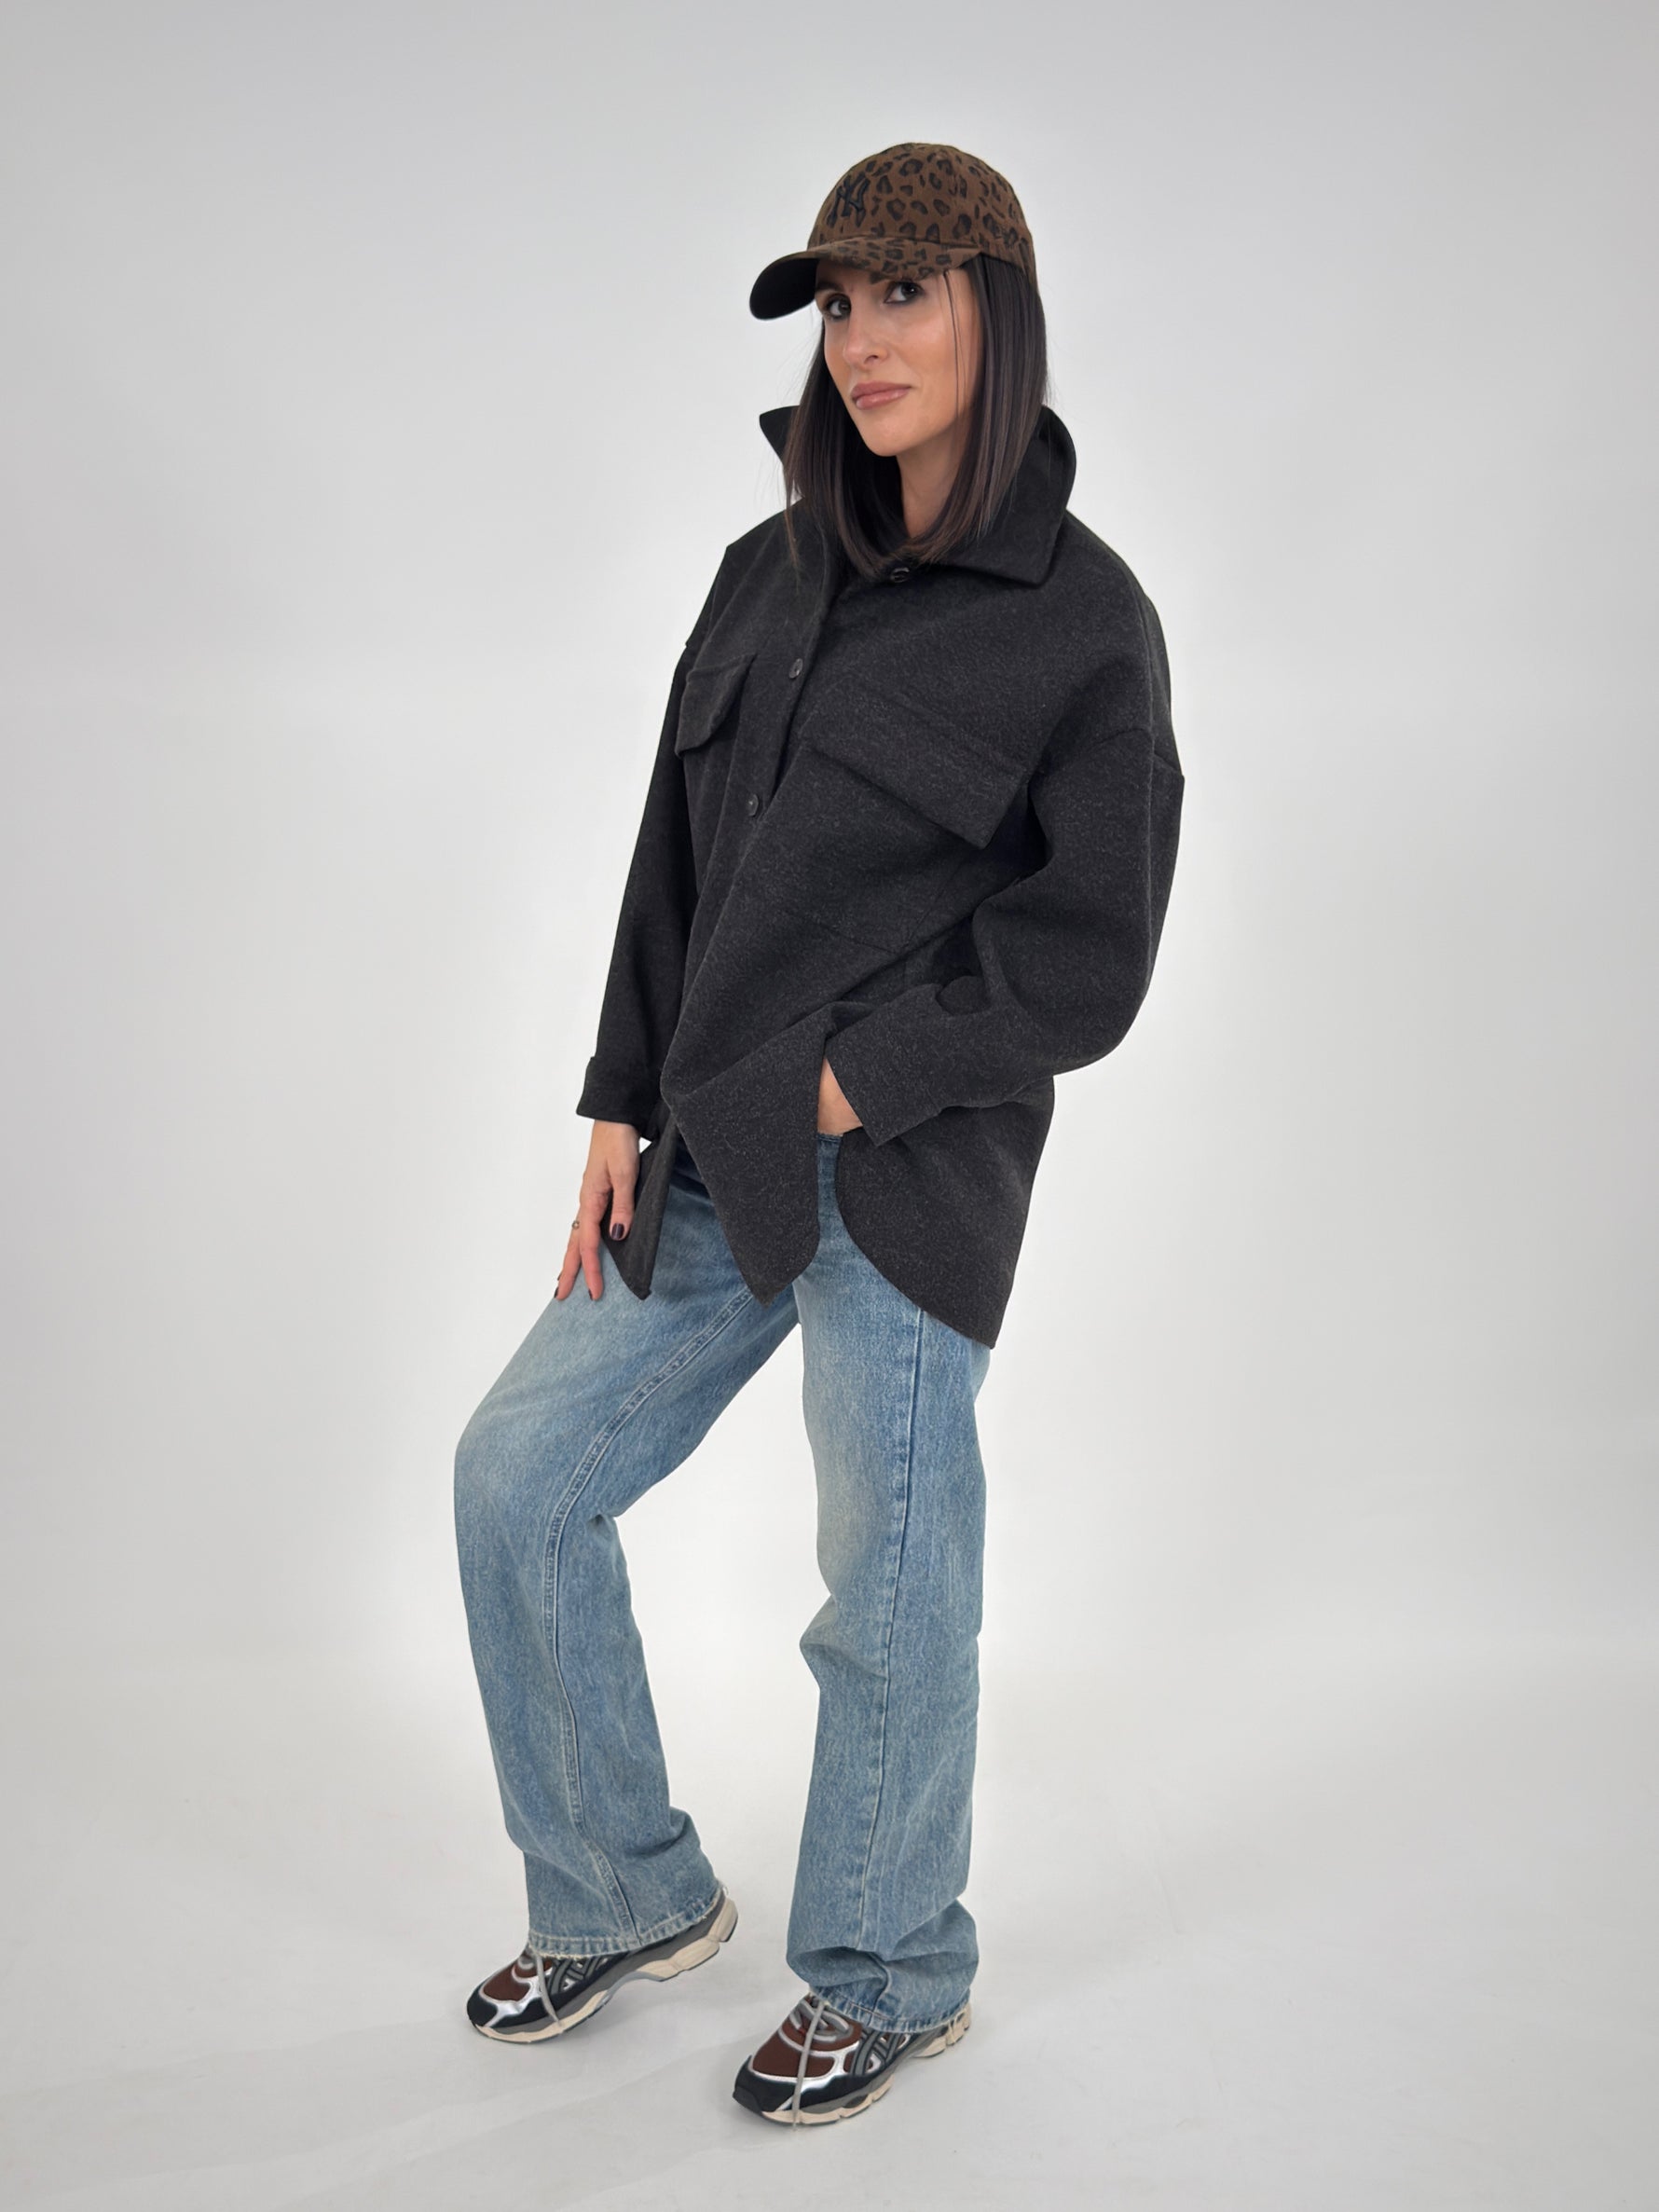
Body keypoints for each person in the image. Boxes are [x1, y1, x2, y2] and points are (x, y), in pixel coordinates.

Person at [453, 140, 1185, 2127]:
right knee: (516, 1480)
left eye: (904, 293)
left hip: (913, 1174)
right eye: (839, 301)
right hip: (707, 1141)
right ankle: (621, 1888)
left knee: (890, 1575)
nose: (863, 338)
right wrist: (617, 1090)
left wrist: (859, 1079)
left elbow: (1090, 956)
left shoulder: (1085, 623)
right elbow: (670, 859)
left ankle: (887, 1967)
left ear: (994, 313)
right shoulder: (756, 577)